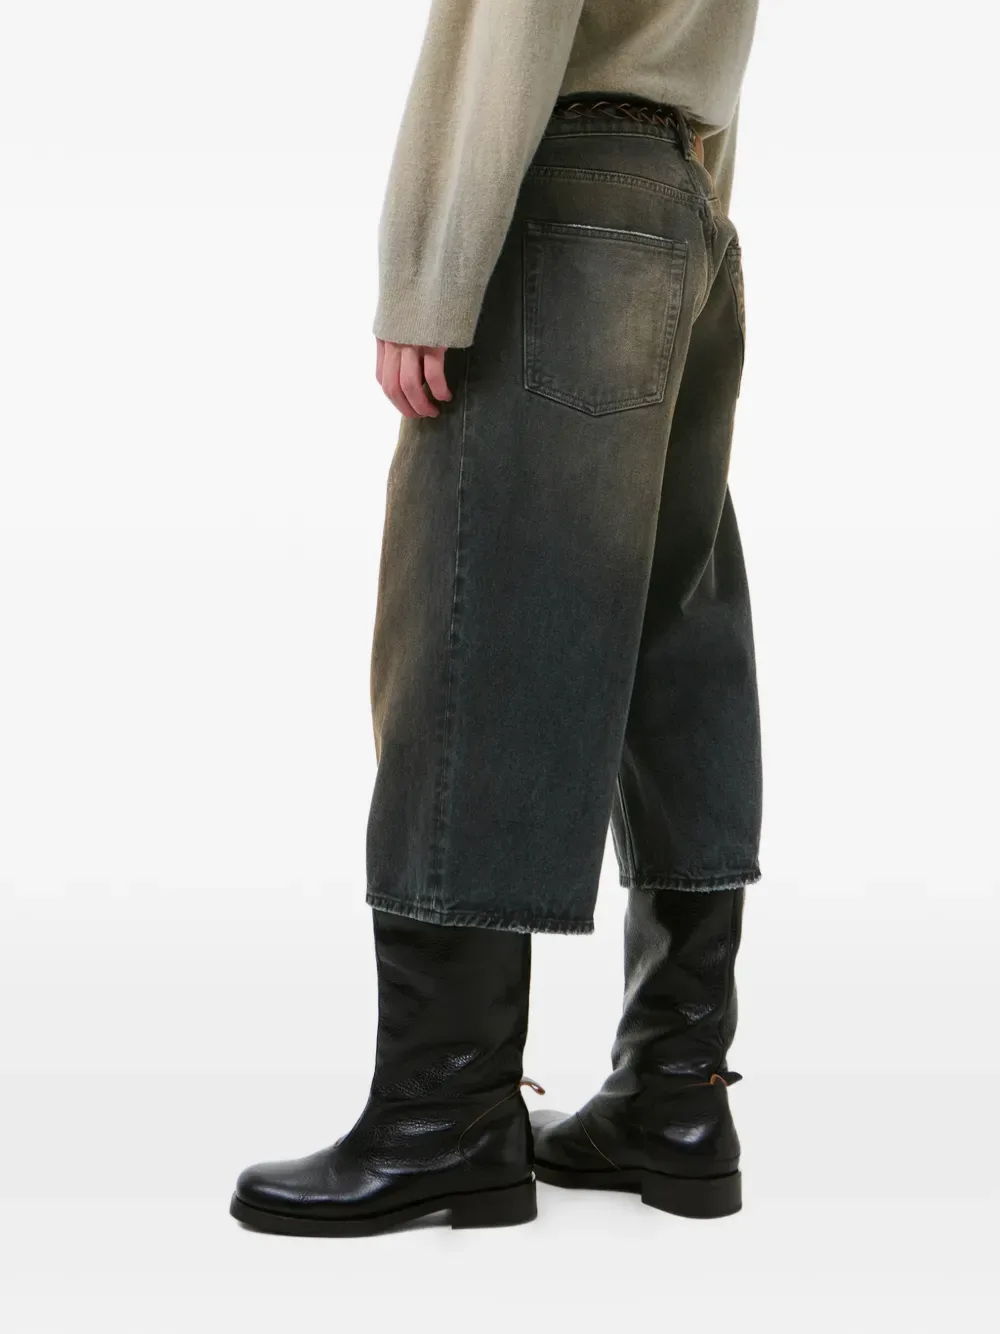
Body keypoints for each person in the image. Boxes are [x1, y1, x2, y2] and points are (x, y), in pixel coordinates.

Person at [230, 0, 762, 1237]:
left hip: (558, 196)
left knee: (460, 624)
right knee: (673, 635)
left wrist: (432, 268)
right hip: (684, 202)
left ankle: (445, 1111)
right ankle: (676, 1089)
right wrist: (684, 211)